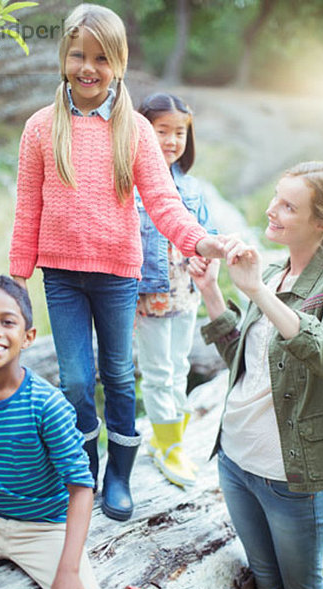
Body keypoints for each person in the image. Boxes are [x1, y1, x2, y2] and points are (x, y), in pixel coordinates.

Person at [9, 3, 223, 521]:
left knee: (118, 375)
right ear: (64, 57)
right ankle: (84, 472)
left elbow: (164, 201)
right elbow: (27, 204)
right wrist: (17, 279)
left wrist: (200, 242)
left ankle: (119, 477)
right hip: (61, 275)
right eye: (79, 55)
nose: (89, 67)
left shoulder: (135, 130)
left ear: (119, 63)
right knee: (77, 381)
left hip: (116, 274)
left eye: (101, 58)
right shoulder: (41, 127)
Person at [0, 274, 180, 589]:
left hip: (46, 530)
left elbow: (81, 488)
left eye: (7, 322)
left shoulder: (47, 404)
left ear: (28, 336)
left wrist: (68, 570)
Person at [189, 161, 323, 589]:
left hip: (288, 479)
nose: (272, 210)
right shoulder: (272, 272)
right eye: (275, 197)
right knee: (265, 585)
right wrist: (212, 292)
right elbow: (243, 362)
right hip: (235, 461)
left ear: (322, 223)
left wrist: (256, 292)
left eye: (288, 206)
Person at [135, 93, 217, 488]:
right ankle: (166, 444)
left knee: (180, 365)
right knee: (157, 372)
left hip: (186, 292)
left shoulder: (194, 187)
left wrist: (208, 257)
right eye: (161, 130)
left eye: (179, 132)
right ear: (139, 131)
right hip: (149, 295)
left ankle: (173, 440)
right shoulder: (129, 185)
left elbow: (207, 233)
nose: (170, 140)